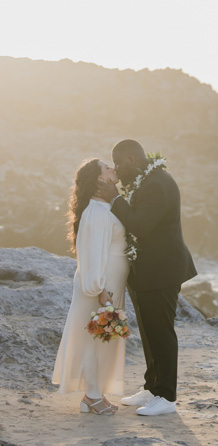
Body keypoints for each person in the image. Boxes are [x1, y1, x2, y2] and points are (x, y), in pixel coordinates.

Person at [96, 139, 197, 416]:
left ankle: (166, 397)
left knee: (161, 333)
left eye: (117, 163)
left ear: (130, 159)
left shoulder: (156, 183)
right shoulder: (146, 180)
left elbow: (140, 224)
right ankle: (152, 387)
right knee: (150, 333)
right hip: (146, 272)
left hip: (162, 271)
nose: (116, 168)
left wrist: (115, 198)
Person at [52, 159, 129, 414]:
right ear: (99, 179)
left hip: (109, 283)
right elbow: (91, 255)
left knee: (104, 339)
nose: (113, 169)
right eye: (107, 168)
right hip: (100, 286)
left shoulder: (104, 207)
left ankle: (95, 394)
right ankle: (92, 396)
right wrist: (100, 291)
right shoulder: (96, 212)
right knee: (96, 339)